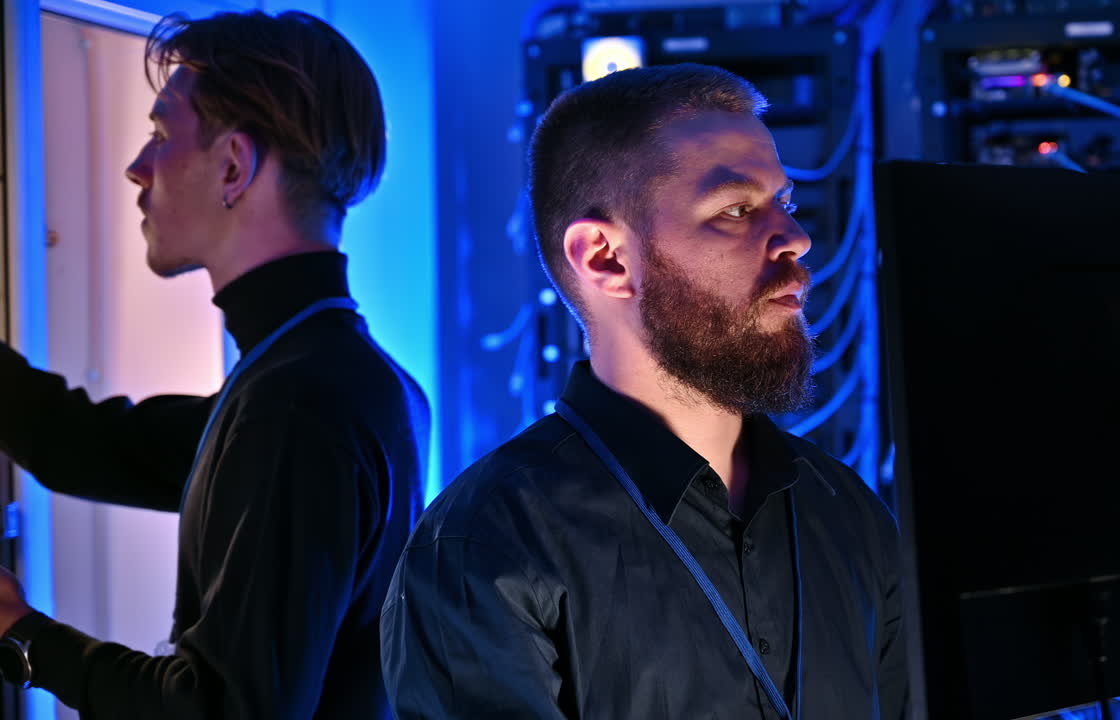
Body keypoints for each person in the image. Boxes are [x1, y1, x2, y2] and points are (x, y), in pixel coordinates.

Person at [381, 63, 906, 719]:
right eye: (738, 210)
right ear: (605, 258)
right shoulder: (486, 544)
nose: (796, 238)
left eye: (786, 203)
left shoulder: (848, 515)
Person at [0, 10, 429, 718]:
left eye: (163, 134)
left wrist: (21, 634)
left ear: (233, 165)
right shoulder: (340, 377)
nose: (138, 166)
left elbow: (226, 710)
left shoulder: (297, 401)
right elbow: (93, 448)